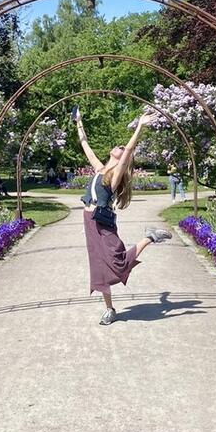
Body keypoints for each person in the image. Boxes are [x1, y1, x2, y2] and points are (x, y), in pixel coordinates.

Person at [74, 106, 172, 325]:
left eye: (122, 148)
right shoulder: (99, 169)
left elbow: (128, 151)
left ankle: (150, 237)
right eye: (118, 146)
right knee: (98, 266)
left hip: (103, 223)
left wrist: (139, 127)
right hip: (90, 222)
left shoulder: (114, 175)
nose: (119, 147)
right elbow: (85, 144)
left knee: (117, 262)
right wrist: (78, 121)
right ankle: (109, 309)